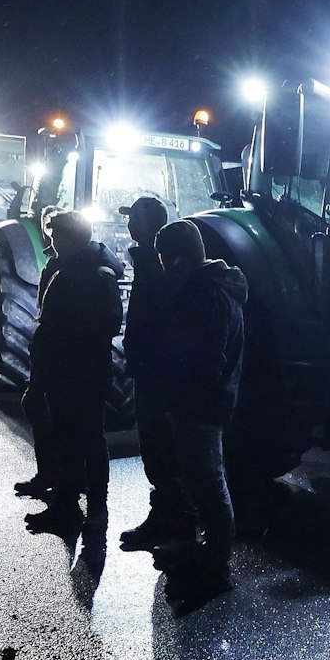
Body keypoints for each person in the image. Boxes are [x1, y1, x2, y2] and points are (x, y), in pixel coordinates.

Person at [137, 219, 246, 593]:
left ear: (180, 259)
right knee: (203, 482)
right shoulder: (206, 289)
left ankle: (216, 566)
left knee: (210, 485)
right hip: (197, 401)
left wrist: (179, 387)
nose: (164, 265)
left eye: (166, 258)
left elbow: (203, 358)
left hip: (201, 405)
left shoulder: (209, 296)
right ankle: (209, 555)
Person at [23, 208, 122, 534]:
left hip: (75, 371)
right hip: (81, 369)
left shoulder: (87, 276)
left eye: (56, 237)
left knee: (79, 439)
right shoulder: (80, 270)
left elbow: (56, 328)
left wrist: (49, 364)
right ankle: (78, 506)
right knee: (81, 438)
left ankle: (78, 509)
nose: (52, 244)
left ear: (68, 238)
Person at [117, 196, 193, 552]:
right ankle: (173, 516)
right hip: (153, 369)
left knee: (160, 447)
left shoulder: (156, 267)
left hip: (155, 373)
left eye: (133, 218)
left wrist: (142, 359)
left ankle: (172, 521)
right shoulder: (157, 263)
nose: (128, 224)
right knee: (161, 448)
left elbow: (153, 323)